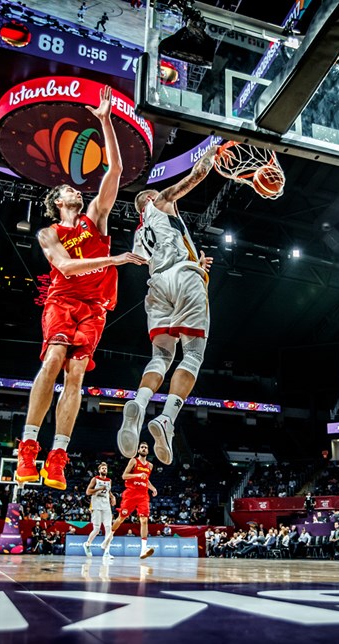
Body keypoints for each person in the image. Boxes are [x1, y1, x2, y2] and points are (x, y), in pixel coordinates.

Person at [13, 85, 146, 491]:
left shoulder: (96, 219)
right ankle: (28, 447)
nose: (77, 189)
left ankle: (58, 455)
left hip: (95, 308)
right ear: (58, 201)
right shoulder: (48, 232)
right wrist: (116, 259)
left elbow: (116, 173)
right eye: (69, 190)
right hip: (63, 300)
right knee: (53, 360)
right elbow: (67, 267)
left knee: (75, 376)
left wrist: (105, 120)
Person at [116, 146, 220, 465]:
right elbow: (195, 177)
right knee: (193, 354)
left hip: (157, 285)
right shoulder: (159, 203)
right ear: (149, 199)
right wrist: (212, 155)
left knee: (161, 355)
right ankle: (166, 418)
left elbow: (159, 255)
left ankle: (141, 400)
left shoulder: (139, 236)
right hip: (183, 276)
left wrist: (194, 261)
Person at [101, 441, 158, 559]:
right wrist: (137, 475)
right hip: (131, 494)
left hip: (143, 496)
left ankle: (143, 550)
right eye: (142, 447)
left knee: (144, 520)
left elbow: (146, 479)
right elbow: (124, 476)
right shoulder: (133, 461)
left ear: (148, 451)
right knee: (121, 518)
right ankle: (108, 539)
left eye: (146, 448)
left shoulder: (150, 465)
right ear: (138, 450)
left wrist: (152, 488)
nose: (144, 449)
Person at [81, 461, 116, 558]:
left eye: (106, 468)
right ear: (99, 470)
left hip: (106, 507)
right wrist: (98, 489)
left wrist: (112, 497)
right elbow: (88, 492)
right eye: (103, 468)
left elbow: (108, 492)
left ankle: (107, 552)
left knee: (109, 529)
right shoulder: (95, 479)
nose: (104, 470)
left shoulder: (109, 480)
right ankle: (87, 544)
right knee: (96, 529)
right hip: (96, 506)